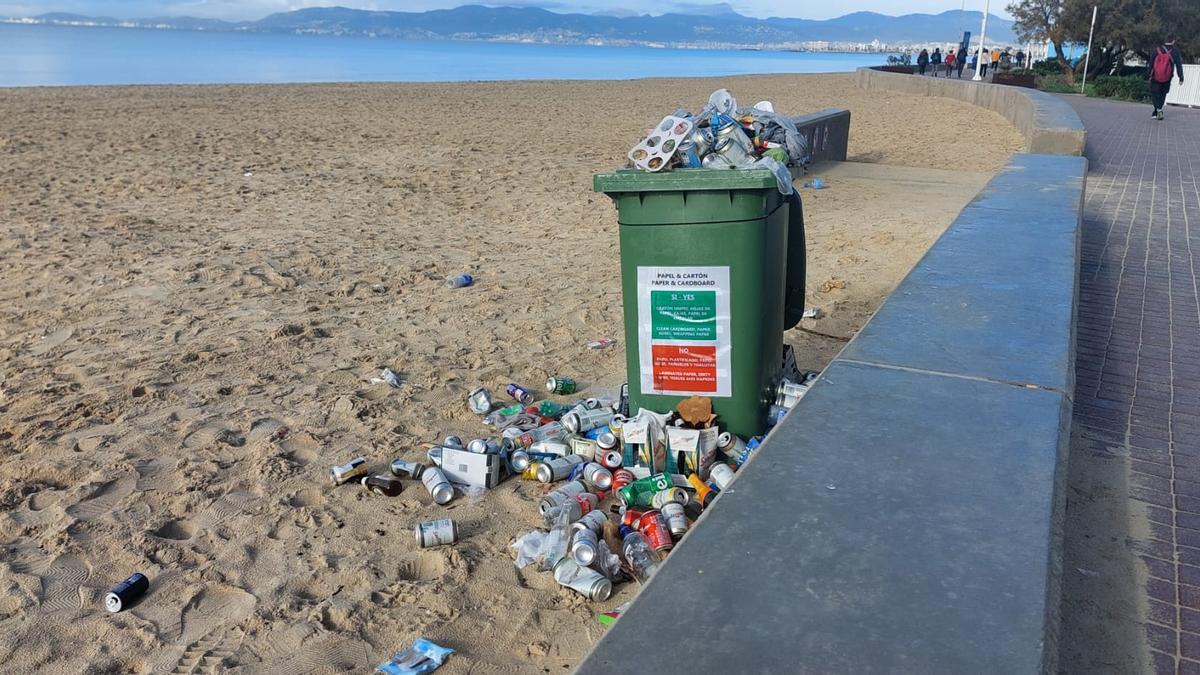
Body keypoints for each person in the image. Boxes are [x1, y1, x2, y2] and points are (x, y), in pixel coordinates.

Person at [1148, 35, 1185, 120]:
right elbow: (1179, 65)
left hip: (1155, 76)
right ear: (1173, 41)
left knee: (1155, 94)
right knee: (1162, 94)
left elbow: (1151, 63)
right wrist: (1181, 77)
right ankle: (1158, 110)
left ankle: (1157, 111)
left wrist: (1148, 73)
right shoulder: (1175, 51)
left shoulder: (1157, 50)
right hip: (1167, 77)